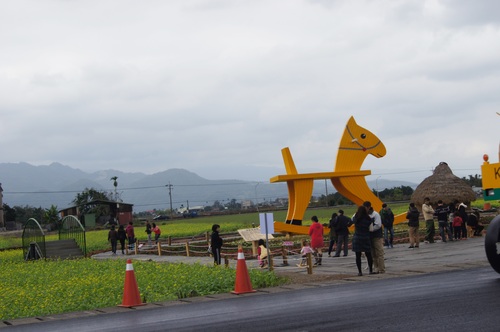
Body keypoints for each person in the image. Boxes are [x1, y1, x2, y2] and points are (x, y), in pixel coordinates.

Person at [352, 205, 374, 276]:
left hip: (357, 237)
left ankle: (360, 271)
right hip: (365, 237)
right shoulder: (368, 219)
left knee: (358, 256)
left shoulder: (356, 219)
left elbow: (352, 220)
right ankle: (370, 270)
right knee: (368, 254)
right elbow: (371, 229)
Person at [367, 203, 385, 274]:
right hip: (370, 236)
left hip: (377, 236)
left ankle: (381, 268)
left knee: (379, 253)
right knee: (373, 254)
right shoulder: (366, 215)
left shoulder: (375, 214)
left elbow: (378, 225)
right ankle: (376, 268)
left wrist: (371, 229)